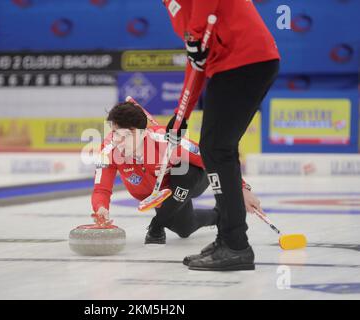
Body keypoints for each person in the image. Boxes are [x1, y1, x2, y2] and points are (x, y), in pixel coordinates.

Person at [162, 0, 280, 271]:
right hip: (237, 64)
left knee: (217, 148)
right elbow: (196, 61)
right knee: (216, 148)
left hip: (245, 60)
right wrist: (182, 116)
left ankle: (235, 244)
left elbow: (197, 41)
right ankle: (228, 238)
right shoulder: (172, 4)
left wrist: (196, 32)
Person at [91, 102, 264, 245]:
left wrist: (242, 187)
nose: (117, 141)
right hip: (161, 196)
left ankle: (157, 224)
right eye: (114, 133)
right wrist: (101, 209)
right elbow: (101, 189)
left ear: (142, 132)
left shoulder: (167, 141)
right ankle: (218, 215)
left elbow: (211, 159)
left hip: (193, 179)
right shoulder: (109, 150)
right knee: (184, 229)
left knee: (185, 174)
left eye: (124, 135)